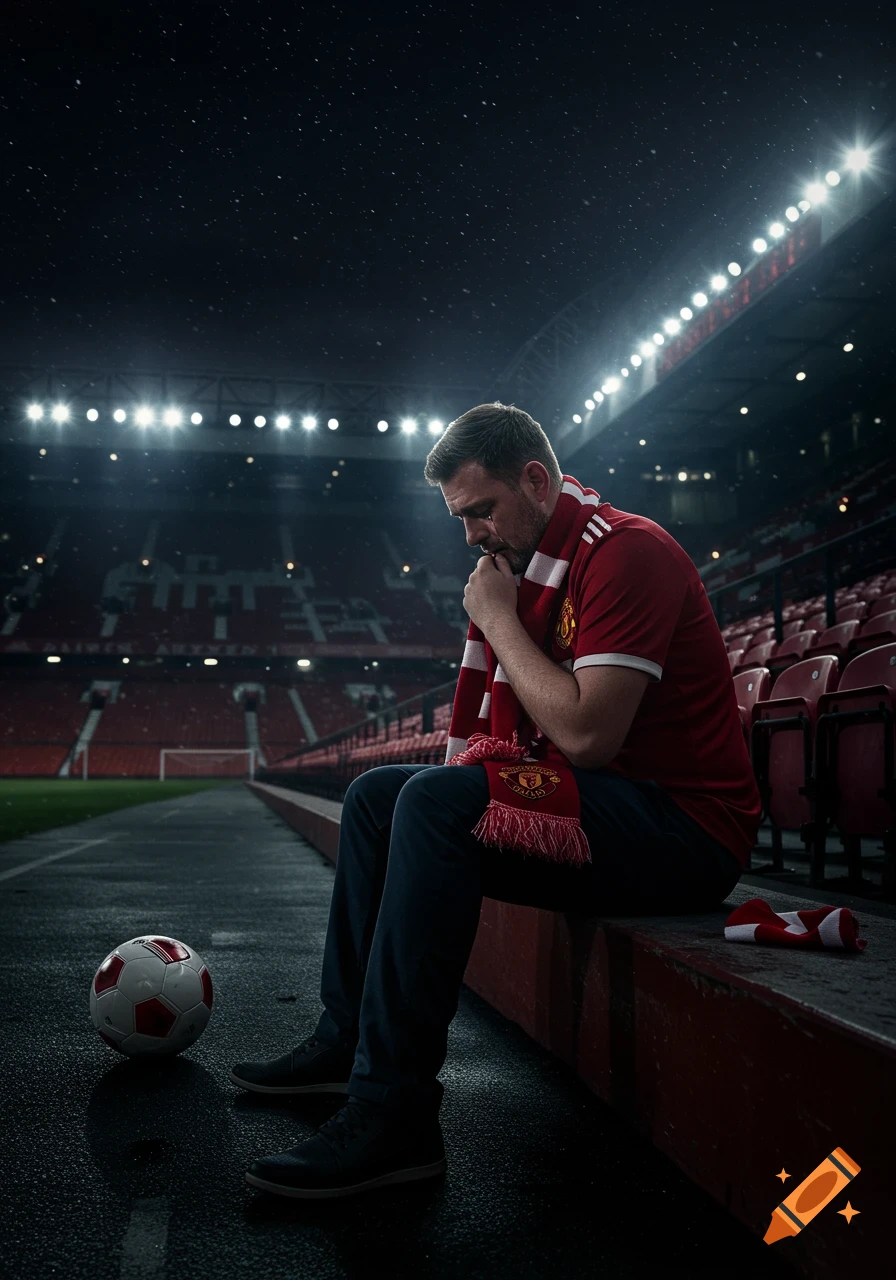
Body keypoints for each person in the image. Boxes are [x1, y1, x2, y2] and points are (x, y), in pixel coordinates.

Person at [232, 402, 760, 1200]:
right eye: (460, 518)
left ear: (536, 481)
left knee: (434, 804)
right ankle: (345, 1043)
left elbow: (587, 735)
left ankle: (395, 1116)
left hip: (683, 828)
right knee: (377, 795)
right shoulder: (541, 563)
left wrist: (496, 620)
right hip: (609, 805)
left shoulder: (627, 551)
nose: (471, 535)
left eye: (481, 510)